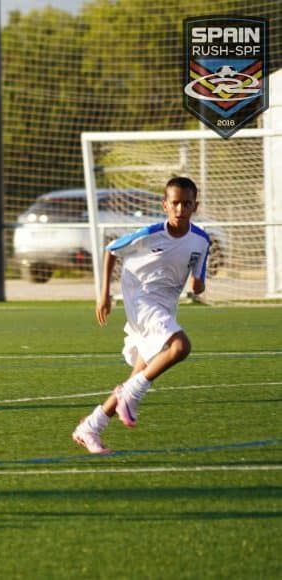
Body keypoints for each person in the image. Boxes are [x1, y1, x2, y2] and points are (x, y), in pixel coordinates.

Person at [72, 176, 210, 454]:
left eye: (186, 203)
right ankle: (130, 395)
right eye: (175, 203)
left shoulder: (201, 240)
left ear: (196, 205)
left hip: (166, 305)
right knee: (181, 346)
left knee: (139, 374)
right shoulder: (150, 232)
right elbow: (111, 250)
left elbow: (199, 280)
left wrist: (197, 284)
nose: (180, 209)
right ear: (165, 205)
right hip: (142, 300)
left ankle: (91, 426)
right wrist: (104, 295)